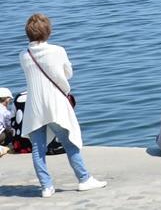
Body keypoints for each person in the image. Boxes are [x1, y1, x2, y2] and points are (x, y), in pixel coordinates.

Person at [19, 13, 107, 198]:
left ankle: (46, 187)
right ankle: (84, 179)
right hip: (55, 104)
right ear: (47, 31)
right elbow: (67, 73)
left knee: (38, 149)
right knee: (69, 142)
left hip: (34, 106)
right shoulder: (57, 50)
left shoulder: (24, 55)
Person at [0, 87, 13, 154]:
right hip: (0, 136)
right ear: (7, 100)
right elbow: (8, 127)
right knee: (11, 132)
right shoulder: (5, 112)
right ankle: (3, 146)